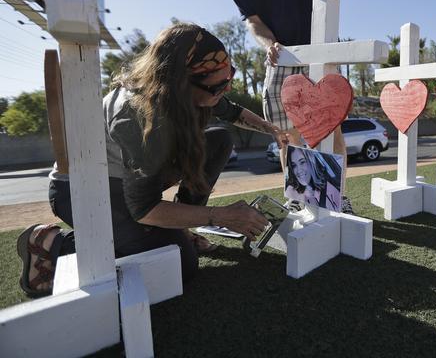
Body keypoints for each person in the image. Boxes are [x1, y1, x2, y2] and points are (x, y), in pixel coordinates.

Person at [17, 23, 288, 297]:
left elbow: (232, 112)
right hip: (83, 191)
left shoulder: (194, 87)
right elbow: (144, 209)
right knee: (179, 264)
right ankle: (53, 243)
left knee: (218, 140)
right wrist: (220, 216)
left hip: (125, 183)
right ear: (180, 83)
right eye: (218, 85)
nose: (226, 88)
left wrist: (273, 130)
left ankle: (177, 227)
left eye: (230, 76)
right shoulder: (138, 115)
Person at [205, 0, 355, 214]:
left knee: (330, 129)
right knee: (285, 135)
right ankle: (298, 198)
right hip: (281, 56)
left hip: (319, 46)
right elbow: (253, 23)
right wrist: (269, 44)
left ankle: (337, 199)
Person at [284, 146, 342, 212]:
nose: (299, 170)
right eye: (294, 165)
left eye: (302, 162)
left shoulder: (330, 189)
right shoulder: (291, 191)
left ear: (311, 163)